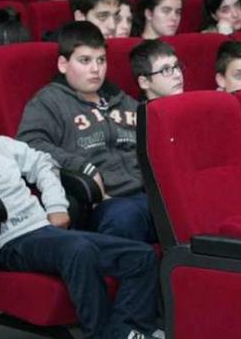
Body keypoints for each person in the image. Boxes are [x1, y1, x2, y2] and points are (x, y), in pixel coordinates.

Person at [0, 85, 160, 339]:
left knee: (141, 257)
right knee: (79, 250)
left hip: (42, 230)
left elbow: (43, 162)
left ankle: (128, 331)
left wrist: (56, 206)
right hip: (7, 242)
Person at [17, 21, 157, 243]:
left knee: (186, 206)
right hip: (101, 204)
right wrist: (81, 166)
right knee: (127, 217)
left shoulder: (121, 99)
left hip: (145, 194)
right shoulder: (49, 101)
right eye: (85, 60)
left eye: (101, 60)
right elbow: (28, 144)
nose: (96, 69)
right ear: (63, 64)